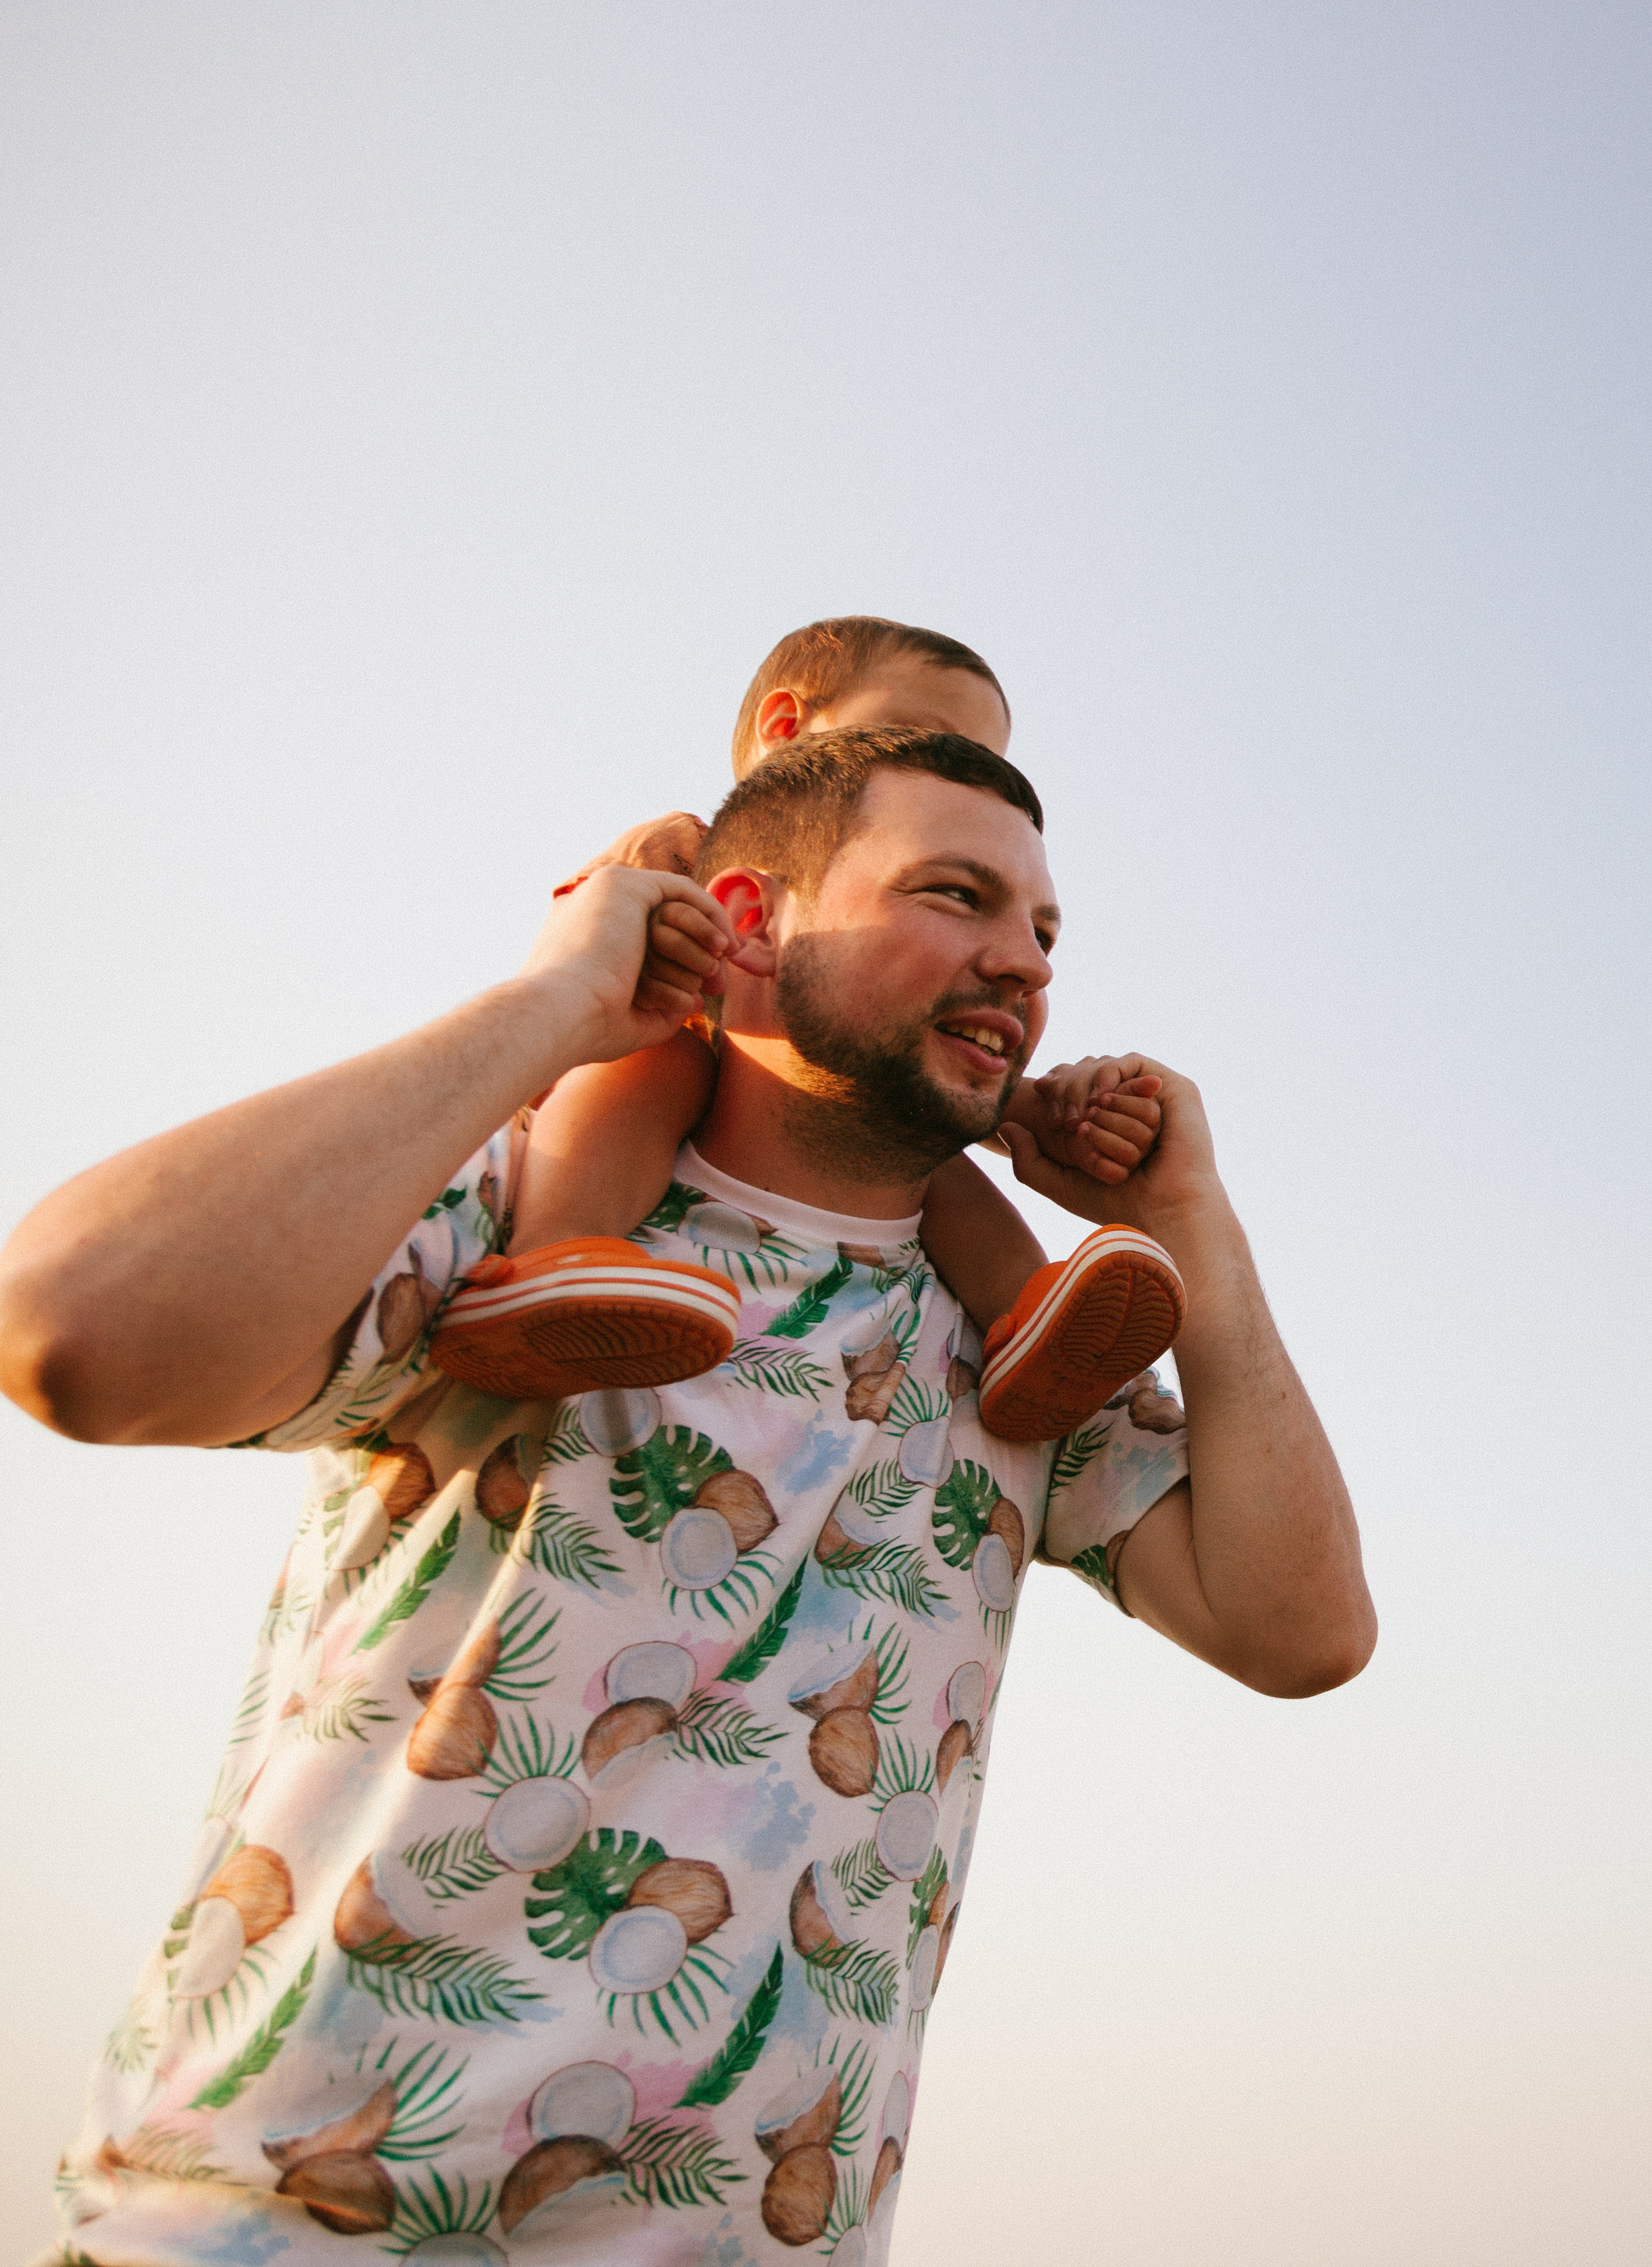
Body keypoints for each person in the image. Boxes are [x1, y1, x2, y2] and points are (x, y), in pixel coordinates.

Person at [0, 727, 1376, 2266]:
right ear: (750, 919)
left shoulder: (1020, 1366)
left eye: (1043, 931)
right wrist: (548, 1005)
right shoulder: (517, 1220)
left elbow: (1300, 1629)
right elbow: (70, 1331)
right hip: (266, 2228)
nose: (1020, 965)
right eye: (955, 895)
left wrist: (1191, 1218)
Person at [427, 618, 1185, 1444]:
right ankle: (553, 1255)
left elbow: (901, 1042)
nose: (959, 775)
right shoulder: (689, 844)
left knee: (920, 1147)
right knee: (662, 1061)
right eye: (925, 736)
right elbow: (581, 950)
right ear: (785, 728)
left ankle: (1026, 1326)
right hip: (635, 1065)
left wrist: (1034, 1111)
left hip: (814, 1111)